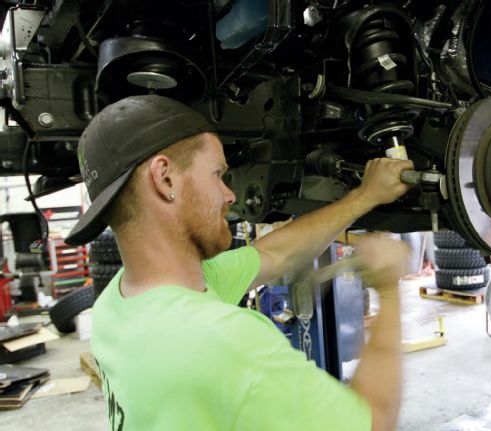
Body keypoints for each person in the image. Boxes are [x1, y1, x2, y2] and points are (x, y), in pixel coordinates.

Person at [65, 95, 413, 431]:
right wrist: (390, 290)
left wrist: (365, 196)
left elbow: (273, 254)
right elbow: (374, 422)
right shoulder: (226, 341)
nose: (230, 194)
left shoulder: (118, 302)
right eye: (217, 174)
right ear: (165, 178)